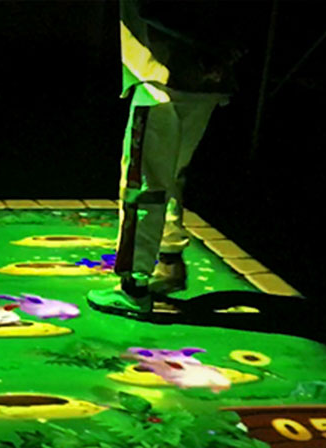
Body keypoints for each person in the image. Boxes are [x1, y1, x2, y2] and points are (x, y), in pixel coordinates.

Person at [87, 0, 243, 316]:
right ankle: (169, 261)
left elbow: (152, 8)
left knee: (144, 183)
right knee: (172, 173)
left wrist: (208, 45)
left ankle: (134, 286)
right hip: (205, 80)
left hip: (162, 77)